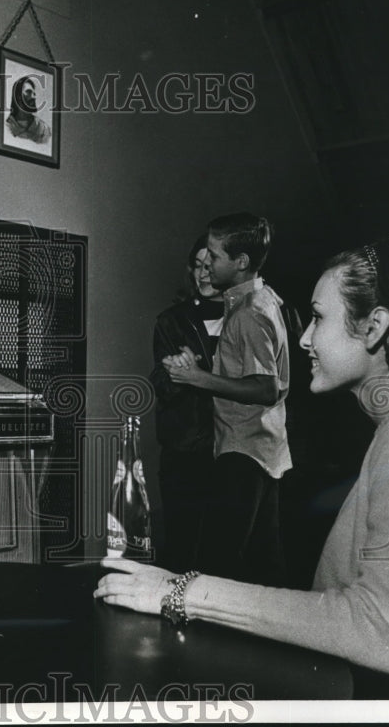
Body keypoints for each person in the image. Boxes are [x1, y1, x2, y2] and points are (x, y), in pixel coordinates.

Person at [96, 237, 389, 699]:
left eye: (319, 318)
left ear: (375, 327)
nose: (303, 338)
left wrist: (182, 592)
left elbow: (383, 634)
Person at [162, 213, 290, 585]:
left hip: (243, 450)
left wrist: (197, 377)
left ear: (241, 263)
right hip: (263, 447)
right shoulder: (261, 299)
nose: (207, 266)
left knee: (217, 564)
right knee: (265, 560)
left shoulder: (249, 313)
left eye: (215, 257)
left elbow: (266, 387)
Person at [150, 234, 224, 571]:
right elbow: (162, 386)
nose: (203, 274)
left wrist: (198, 368)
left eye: (211, 266)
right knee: (182, 554)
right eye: (197, 265)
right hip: (185, 454)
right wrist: (177, 372)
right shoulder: (172, 320)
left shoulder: (249, 316)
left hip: (235, 453)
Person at [5, 75, 51, 144]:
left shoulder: (44, 130)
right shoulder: (7, 128)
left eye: (34, 93)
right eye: (29, 92)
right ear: (18, 96)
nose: (33, 97)